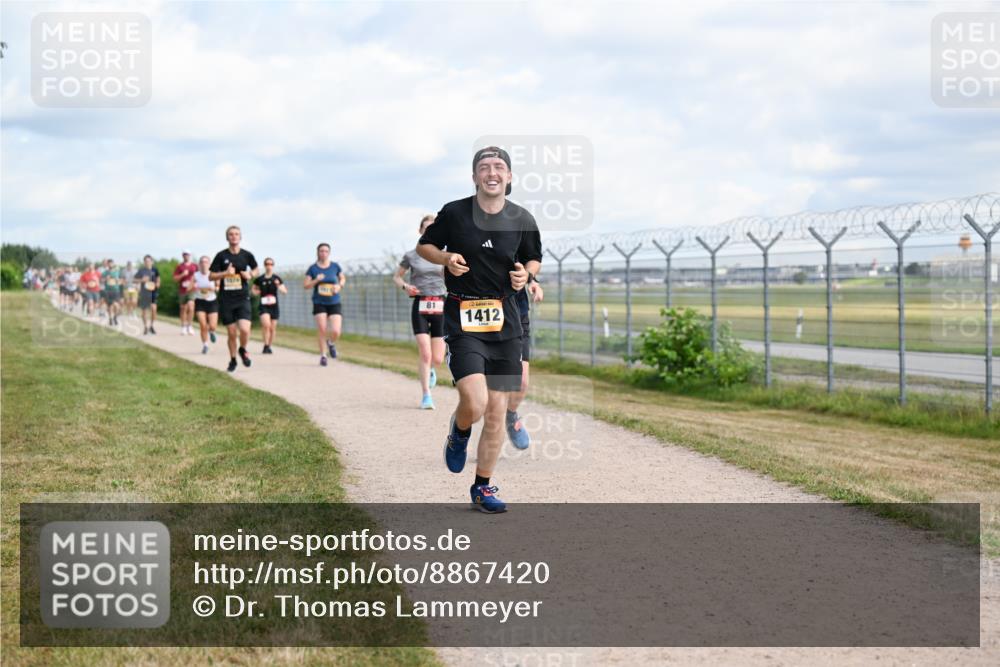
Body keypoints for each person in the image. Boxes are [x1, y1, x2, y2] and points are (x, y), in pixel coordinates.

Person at [417, 146, 542, 513]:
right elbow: (424, 246)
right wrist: (445, 257)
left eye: (499, 167)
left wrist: (527, 274)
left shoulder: (521, 217)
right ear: (474, 177)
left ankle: (483, 487)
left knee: (497, 409)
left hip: (506, 322)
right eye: (484, 167)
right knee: (475, 401)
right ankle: (459, 431)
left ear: (509, 177)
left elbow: (533, 256)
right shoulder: (455, 212)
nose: (492, 172)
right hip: (464, 316)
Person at [394, 214, 447, 409]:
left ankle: (432, 369)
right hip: (421, 304)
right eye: (426, 228)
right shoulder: (411, 255)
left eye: (433, 228)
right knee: (425, 353)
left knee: (438, 358)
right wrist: (405, 286)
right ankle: (426, 395)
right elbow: (397, 277)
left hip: (440, 303)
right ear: (420, 231)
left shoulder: (444, 254)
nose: (429, 231)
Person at [209, 225, 258, 372]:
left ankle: (242, 349)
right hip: (226, 299)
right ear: (227, 237)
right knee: (231, 333)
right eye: (231, 234)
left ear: (240, 237)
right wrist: (225, 273)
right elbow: (211, 276)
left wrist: (250, 275)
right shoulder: (221, 256)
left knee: (244, 329)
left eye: (236, 234)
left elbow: (256, 269)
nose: (234, 236)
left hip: (242, 297)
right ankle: (233, 360)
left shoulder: (247, 255)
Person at [505, 281, 543, 449]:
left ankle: (511, 415)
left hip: (517, 313)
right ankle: (465, 427)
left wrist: (532, 280)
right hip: (481, 310)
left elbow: (529, 260)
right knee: (487, 391)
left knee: (521, 382)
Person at [303, 243, 345, 367]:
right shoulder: (313, 268)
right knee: (322, 329)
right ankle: (323, 355)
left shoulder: (335, 266)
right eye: (321, 251)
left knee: (336, 331)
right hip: (319, 302)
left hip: (334, 302)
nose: (323, 253)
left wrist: (339, 285)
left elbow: (342, 278)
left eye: (326, 251)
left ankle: (331, 343)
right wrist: (316, 280)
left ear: (329, 253)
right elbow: (306, 285)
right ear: (317, 252)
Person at [252, 258, 287, 354]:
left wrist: (278, 286)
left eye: (271, 264)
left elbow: (285, 291)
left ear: (273, 265)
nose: (269, 266)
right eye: (267, 264)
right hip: (264, 306)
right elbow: (253, 289)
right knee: (266, 325)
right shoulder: (260, 279)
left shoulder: (277, 278)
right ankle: (265, 345)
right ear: (264, 265)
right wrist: (256, 292)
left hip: (274, 306)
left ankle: (269, 346)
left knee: (272, 328)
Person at [193, 255, 219, 354]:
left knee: (212, 326)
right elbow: (189, 289)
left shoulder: (213, 274)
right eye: (202, 262)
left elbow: (218, 287)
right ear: (199, 264)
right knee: (203, 325)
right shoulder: (195, 275)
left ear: (209, 264)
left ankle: (212, 332)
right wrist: (194, 287)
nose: (204, 264)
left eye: (206, 262)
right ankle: (205, 345)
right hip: (200, 301)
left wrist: (214, 289)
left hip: (212, 301)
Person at [173, 250, 198, 335]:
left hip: (192, 290)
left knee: (191, 307)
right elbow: (175, 279)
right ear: (182, 256)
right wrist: (182, 274)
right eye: (184, 255)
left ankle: (190, 326)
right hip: (182, 290)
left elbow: (200, 276)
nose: (186, 256)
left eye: (187, 255)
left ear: (190, 255)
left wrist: (195, 284)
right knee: (183, 308)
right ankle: (183, 326)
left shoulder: (194, 266)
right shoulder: (179, 266)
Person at [134, 255, 160, 334]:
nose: (147, 262)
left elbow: (158, 281)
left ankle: (151, 326)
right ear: (144, 262)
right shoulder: (141, 271)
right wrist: (142, 280)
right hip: (144, 293)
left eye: (149, 261)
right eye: (146, 261)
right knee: (144, 311)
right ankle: (145, 327)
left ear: (152, 261)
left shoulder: (155, 270)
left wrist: (157, 284)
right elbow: (134, 280)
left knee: (154, 309)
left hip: (153, 293)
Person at [101, 258, 123, 326]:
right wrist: (105, 279)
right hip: (108, 291)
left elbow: (121, 281)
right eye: (109, 263)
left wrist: (118, 281)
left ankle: (115, 317)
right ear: (107, 264)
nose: (110, 264)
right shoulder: (105, 272)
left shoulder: (117, 271)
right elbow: (101, 281)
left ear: (113, 264)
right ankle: (110, 319)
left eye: (111, 263)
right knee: (110, 306)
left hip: (116, 290)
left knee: (117, 306)